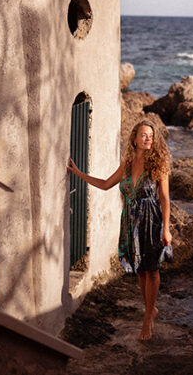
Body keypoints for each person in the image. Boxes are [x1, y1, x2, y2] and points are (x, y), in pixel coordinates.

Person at [66, 119, 172, 340]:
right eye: (143, 135)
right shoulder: (127, 164)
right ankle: (150, 308)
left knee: (152, 269)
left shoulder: (158, 164)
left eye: (151, 135)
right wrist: (78, 173)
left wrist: (166, 229)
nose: (148, 138)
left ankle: (147, 317)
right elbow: (106, 184)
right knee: (140, 270)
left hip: (152, 221)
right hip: (131, 222)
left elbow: (164, 199)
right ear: (134, 139)